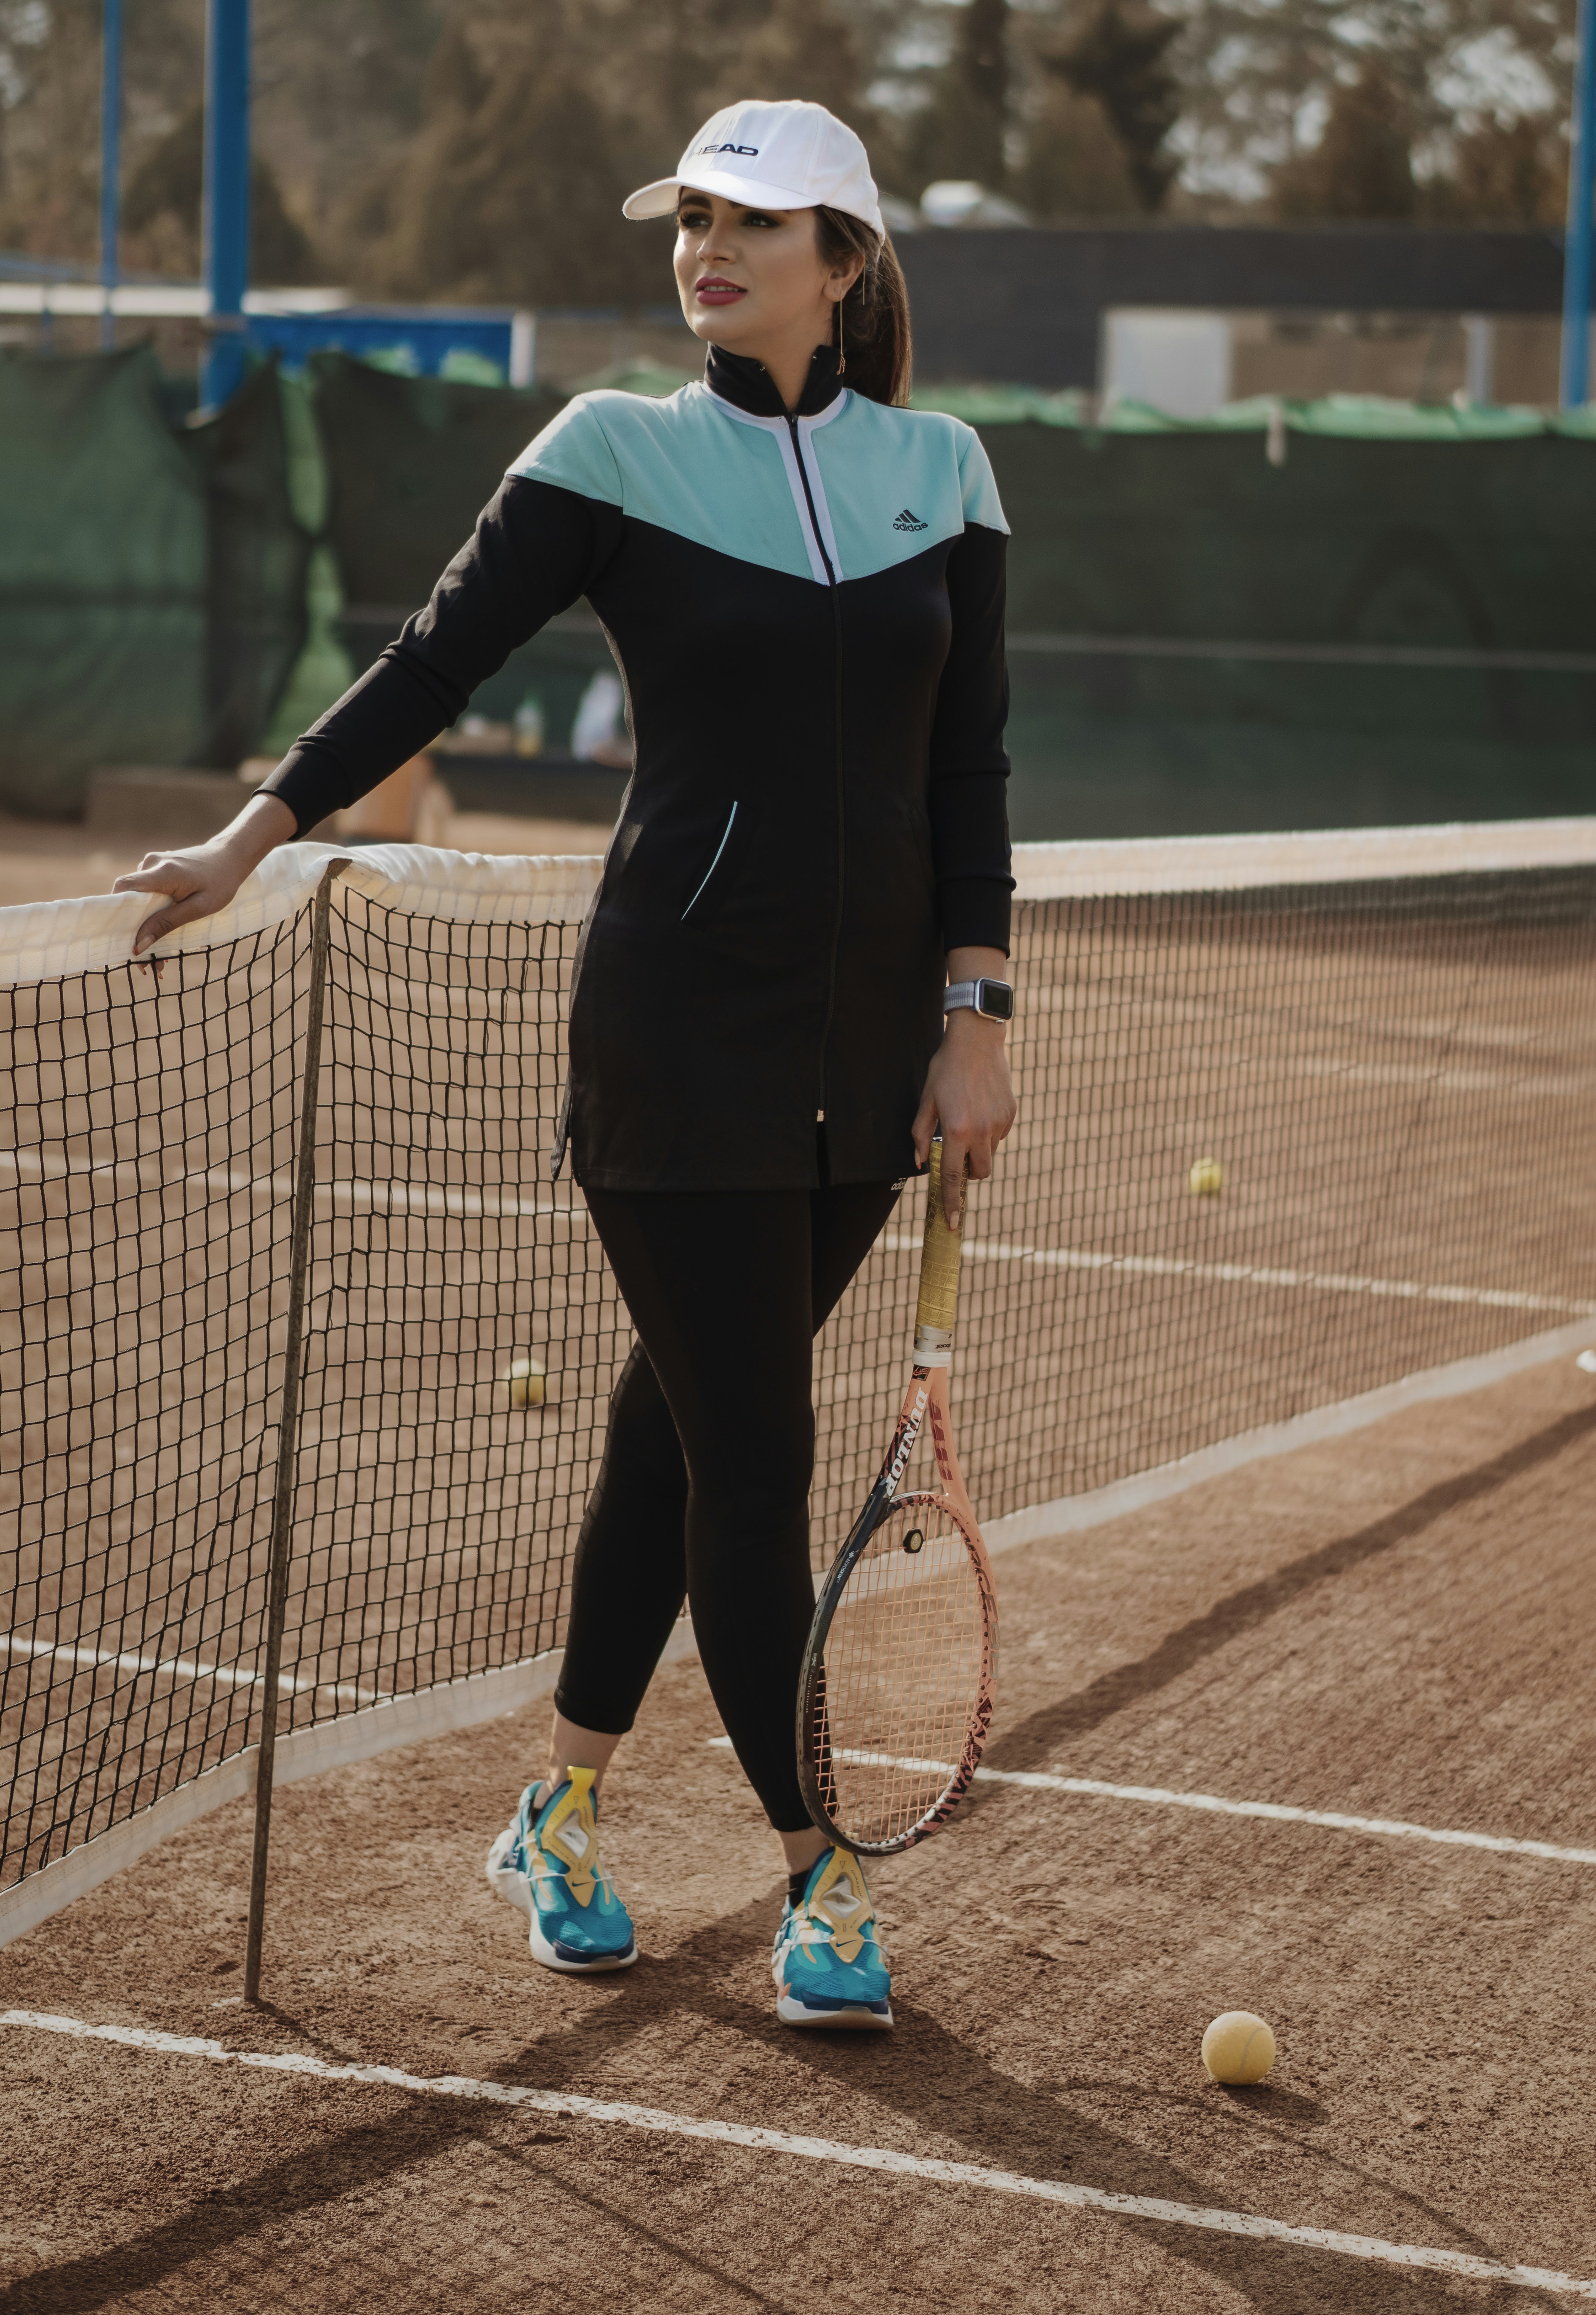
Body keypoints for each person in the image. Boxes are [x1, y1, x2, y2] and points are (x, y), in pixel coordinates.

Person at [114, 98, 1017, 2032]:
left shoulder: (945, 472)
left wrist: (975, 1022)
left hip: (866, 1069)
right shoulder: (610, 448)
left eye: (751, 223)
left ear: (841, 263)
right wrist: (257, 830)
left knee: (674, 1440)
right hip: (671, 1039)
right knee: (754, 1451)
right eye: (691, 218)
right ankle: (815, 1866)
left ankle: (559, 1806)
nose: (707, 249)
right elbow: (430, 661)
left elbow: (968, 777)